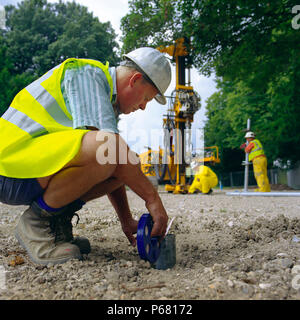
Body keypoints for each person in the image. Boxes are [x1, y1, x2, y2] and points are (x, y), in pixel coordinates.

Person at [0, 47, 171, 265]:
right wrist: (152, 199)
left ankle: (54, 222)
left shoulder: (104, 101)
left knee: (125, 160)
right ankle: (35, 223)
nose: (144, 107)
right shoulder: (87, 75)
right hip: (8, 168)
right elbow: (108, 151)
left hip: (25, 166)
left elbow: (112, 163)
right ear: (135, 79)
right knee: (113, 150)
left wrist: (126, 221)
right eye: (147, 98)